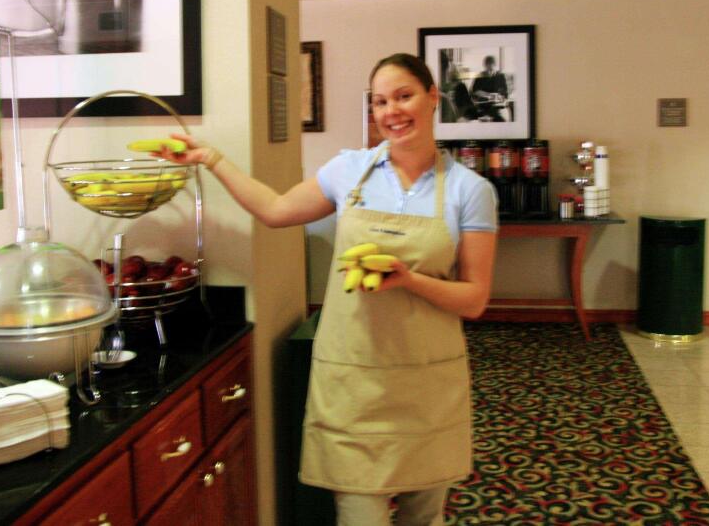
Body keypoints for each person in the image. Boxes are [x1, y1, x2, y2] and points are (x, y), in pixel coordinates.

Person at [157, 52, 498, 526]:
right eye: (380, 101)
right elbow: (275, 210)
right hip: (352, 380)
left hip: (426, 382)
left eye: (404, 96)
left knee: (423, 517)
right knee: (359, 515)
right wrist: (210, 159)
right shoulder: (348, 171)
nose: (392, 111)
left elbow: (475, 299)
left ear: (432, 97)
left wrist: (408, 279)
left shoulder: (469, 190)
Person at [470, 55, 509, 122]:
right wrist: (488, 95)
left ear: (495, 66)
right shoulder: (480, 76)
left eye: (491, 69)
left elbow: (505, 93)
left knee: (501, 119)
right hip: (482, 107)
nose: (489, 72)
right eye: (488, 69)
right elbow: (474, 91)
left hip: (497, 107)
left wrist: (499, 96)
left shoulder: (501, 76)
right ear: (485, 66)